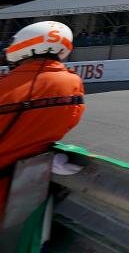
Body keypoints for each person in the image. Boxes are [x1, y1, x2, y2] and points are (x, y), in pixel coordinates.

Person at [0, 21, 84, 249]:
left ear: (27, 45)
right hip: (25, 191)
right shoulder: (73, 83)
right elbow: (69, 122)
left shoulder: (5, 85)